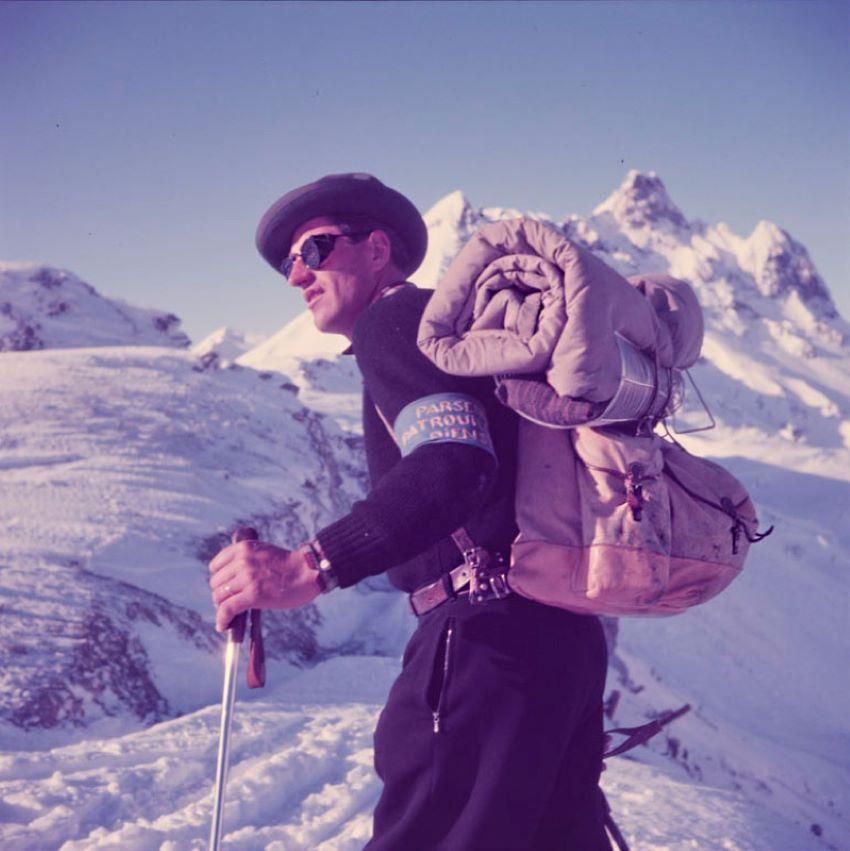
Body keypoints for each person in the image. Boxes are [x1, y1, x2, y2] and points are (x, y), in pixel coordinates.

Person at [208, 173, 612, 850]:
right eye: (287, 265)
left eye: (314, 250)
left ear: (376, 249)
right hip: (562, 639)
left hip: (486, 643)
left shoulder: (393, 322)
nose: (296, 276)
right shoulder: (458, 339)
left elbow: (456, 462)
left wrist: (315, 563)